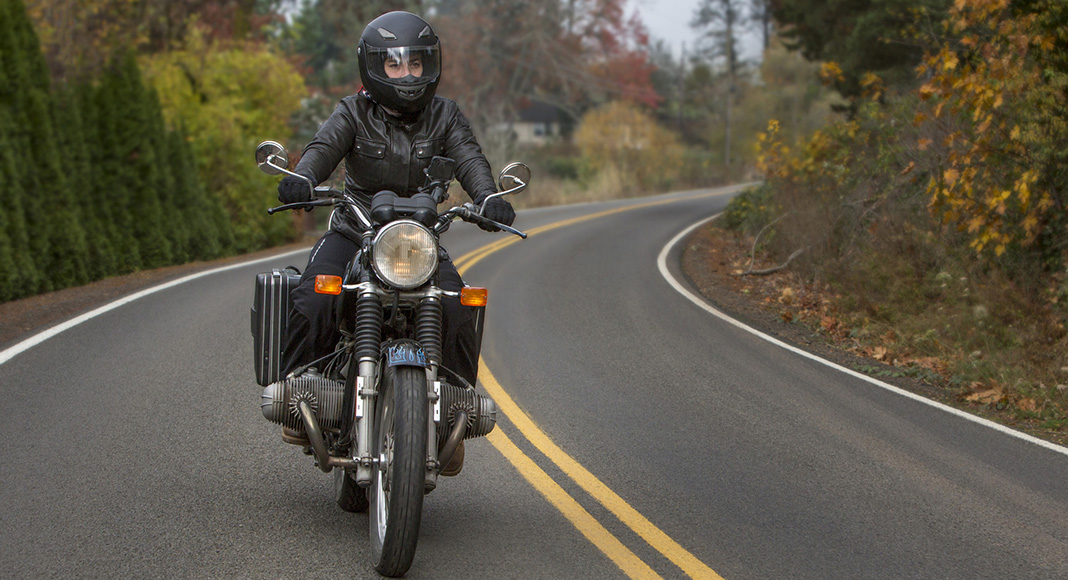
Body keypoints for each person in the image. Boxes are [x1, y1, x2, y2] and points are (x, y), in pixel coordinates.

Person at [276, 11, 515, 473]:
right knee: (311, 294)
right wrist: (302, 177)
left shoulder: (445, 114)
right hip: (355, 230)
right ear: (374, 68)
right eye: (395, 65)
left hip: (419, 242)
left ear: (430, 66)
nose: (408, 74)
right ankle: (299, 394)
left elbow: (469, 157)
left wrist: (487, 197)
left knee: (460, 307)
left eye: (416, 64)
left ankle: (450, 415)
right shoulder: (352, 112)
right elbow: (323, 148)